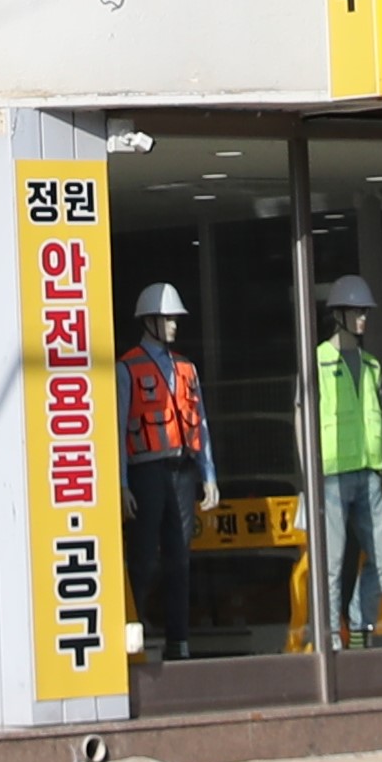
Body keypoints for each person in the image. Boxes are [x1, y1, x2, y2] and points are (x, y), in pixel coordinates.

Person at [122, 282, 215, 661]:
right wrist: (122, 484)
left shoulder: (186, 368)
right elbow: (116, 430)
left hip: (182, 470)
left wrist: (209, 475)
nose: (175, 325)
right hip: (145, 472)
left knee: (180, 558)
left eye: (176, 319)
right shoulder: (127, 368)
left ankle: (179, 641)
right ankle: (135, 631)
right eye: (167, 319)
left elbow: (200, 423)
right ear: (149, 321)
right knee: (143, 558)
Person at [315, 273, 382, 648]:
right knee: (331, 564)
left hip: (369, 473)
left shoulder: (372, 365)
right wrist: (308, 476)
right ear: (339, 314)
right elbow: (302, 417)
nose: (363, 318)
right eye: (357, 311)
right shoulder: (318, 361)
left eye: (365, 312)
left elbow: (378, 420)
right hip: (331, 474)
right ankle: (331, 640)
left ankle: (360, 626)